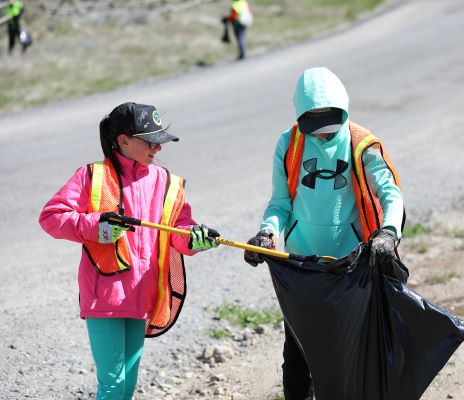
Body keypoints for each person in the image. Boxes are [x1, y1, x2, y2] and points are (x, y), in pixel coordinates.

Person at [243, 67, 405, 399]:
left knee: (349, 356)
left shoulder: (363, 144)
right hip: (301, 268)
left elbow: (391, 194)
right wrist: (266, 233)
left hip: (352, 266)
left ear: (343, 109)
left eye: (328, 126)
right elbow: (280, 203)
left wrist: (388, 233)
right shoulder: (289, 144)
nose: (321, 135)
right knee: (299, 360)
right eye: (313, 126)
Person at [39, 102, 220, 399]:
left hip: (143, 295)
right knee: (112, 387)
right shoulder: (91, 175)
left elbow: (180, 230)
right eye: (150, 142)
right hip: (105, 297)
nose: (157, 149)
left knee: (127, 386)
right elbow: (51, 217)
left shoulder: (165, 181)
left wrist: (194, 239)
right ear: (123, 140)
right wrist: (98, 226)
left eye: (160, 142)